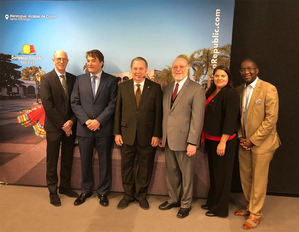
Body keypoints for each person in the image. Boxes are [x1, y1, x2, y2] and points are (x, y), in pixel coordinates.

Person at [235, 58, 280, 229]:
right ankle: (249, 206)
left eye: (250, 69)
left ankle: (256, 213)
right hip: (244, 142)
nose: (246, 72)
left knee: (259, 179)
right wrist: (241, 137)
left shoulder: (269, 89)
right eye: (243, 69)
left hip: (263, 143)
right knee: (246, 176)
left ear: (257, 70)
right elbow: (238, 117)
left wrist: (253, 140)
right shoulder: (239, 90)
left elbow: (271, 119)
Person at [158, 55, 205, 218]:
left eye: (181, 66)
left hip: (186, 141)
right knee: (171, 173)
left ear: (187, 68)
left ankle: (185, 204)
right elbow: (166, 114)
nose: (178, 69)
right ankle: (173, 199)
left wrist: (193, 142)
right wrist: (162, 136)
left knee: (186, 174)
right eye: (175, 67)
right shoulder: (167, 88)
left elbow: (197, 118)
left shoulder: (197, 89)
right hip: (169, 140)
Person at [71, 49, 118, 207]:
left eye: (93, 60)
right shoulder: (80, 80)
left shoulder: (111, 81)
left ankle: (103, 192)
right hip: (84, 130)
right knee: (85, 161)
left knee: (105, 162)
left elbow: (112, 104)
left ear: (101, 62)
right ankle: (86, 190)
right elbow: (74, 102)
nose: (89, 63)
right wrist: (86, 121)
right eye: (88, 60)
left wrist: (98, 121)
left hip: (103, 130)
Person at [114, 57, 162, 210]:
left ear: (146, 70)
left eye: (141, 68)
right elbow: (117, 112)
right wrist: (117, 133)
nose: (138, 71)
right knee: (126, 167)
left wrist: (156, 134)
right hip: (126, 135)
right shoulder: (123, 87)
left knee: (145, 167)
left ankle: (141, 195)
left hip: (148, 137)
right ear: (131, 70)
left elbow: (158, 114)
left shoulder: (155, 88)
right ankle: (128, 195)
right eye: (135, 68)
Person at [201, 66, 240, 217]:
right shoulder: (212, 91)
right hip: (211, 140)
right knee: (215, 174)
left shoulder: (231, 94)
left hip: (223, 142)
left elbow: (230, 120)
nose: (219, 78)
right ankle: (212, 202)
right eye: (217, 75)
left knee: (222, 176)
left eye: (223, 76)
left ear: (228, 78)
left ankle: (221, 209)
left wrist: (223, 141)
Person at [40, 50, 77, 206]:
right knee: (52, 160)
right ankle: (53, 191)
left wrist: (71, 122)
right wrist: (63, 125)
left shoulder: (73, 79)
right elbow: (48, 105)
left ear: (67, 61)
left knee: (68, 158)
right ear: (53, 60)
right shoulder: (46, 79)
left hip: (70, 126)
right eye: (59, 59)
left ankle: (65, 187)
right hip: (55, 128)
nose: (61, 61)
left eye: (64, 59)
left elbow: (76, 103)